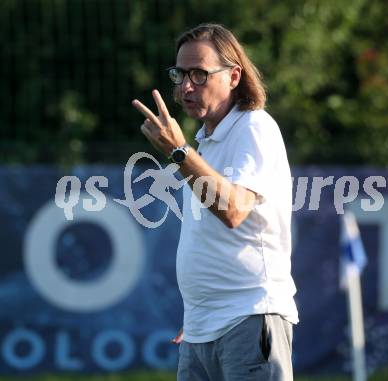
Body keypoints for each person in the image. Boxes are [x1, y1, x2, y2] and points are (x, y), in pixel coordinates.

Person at [132, 23, 299, 381]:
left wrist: (179, 152)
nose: (186, 86)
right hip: (202, 326)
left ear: (234, 76)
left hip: (249, 318)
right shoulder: (206, 140)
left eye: (199, 74)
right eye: (180, 74)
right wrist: (200, 316)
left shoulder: (255, 126)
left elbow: (234, 211)